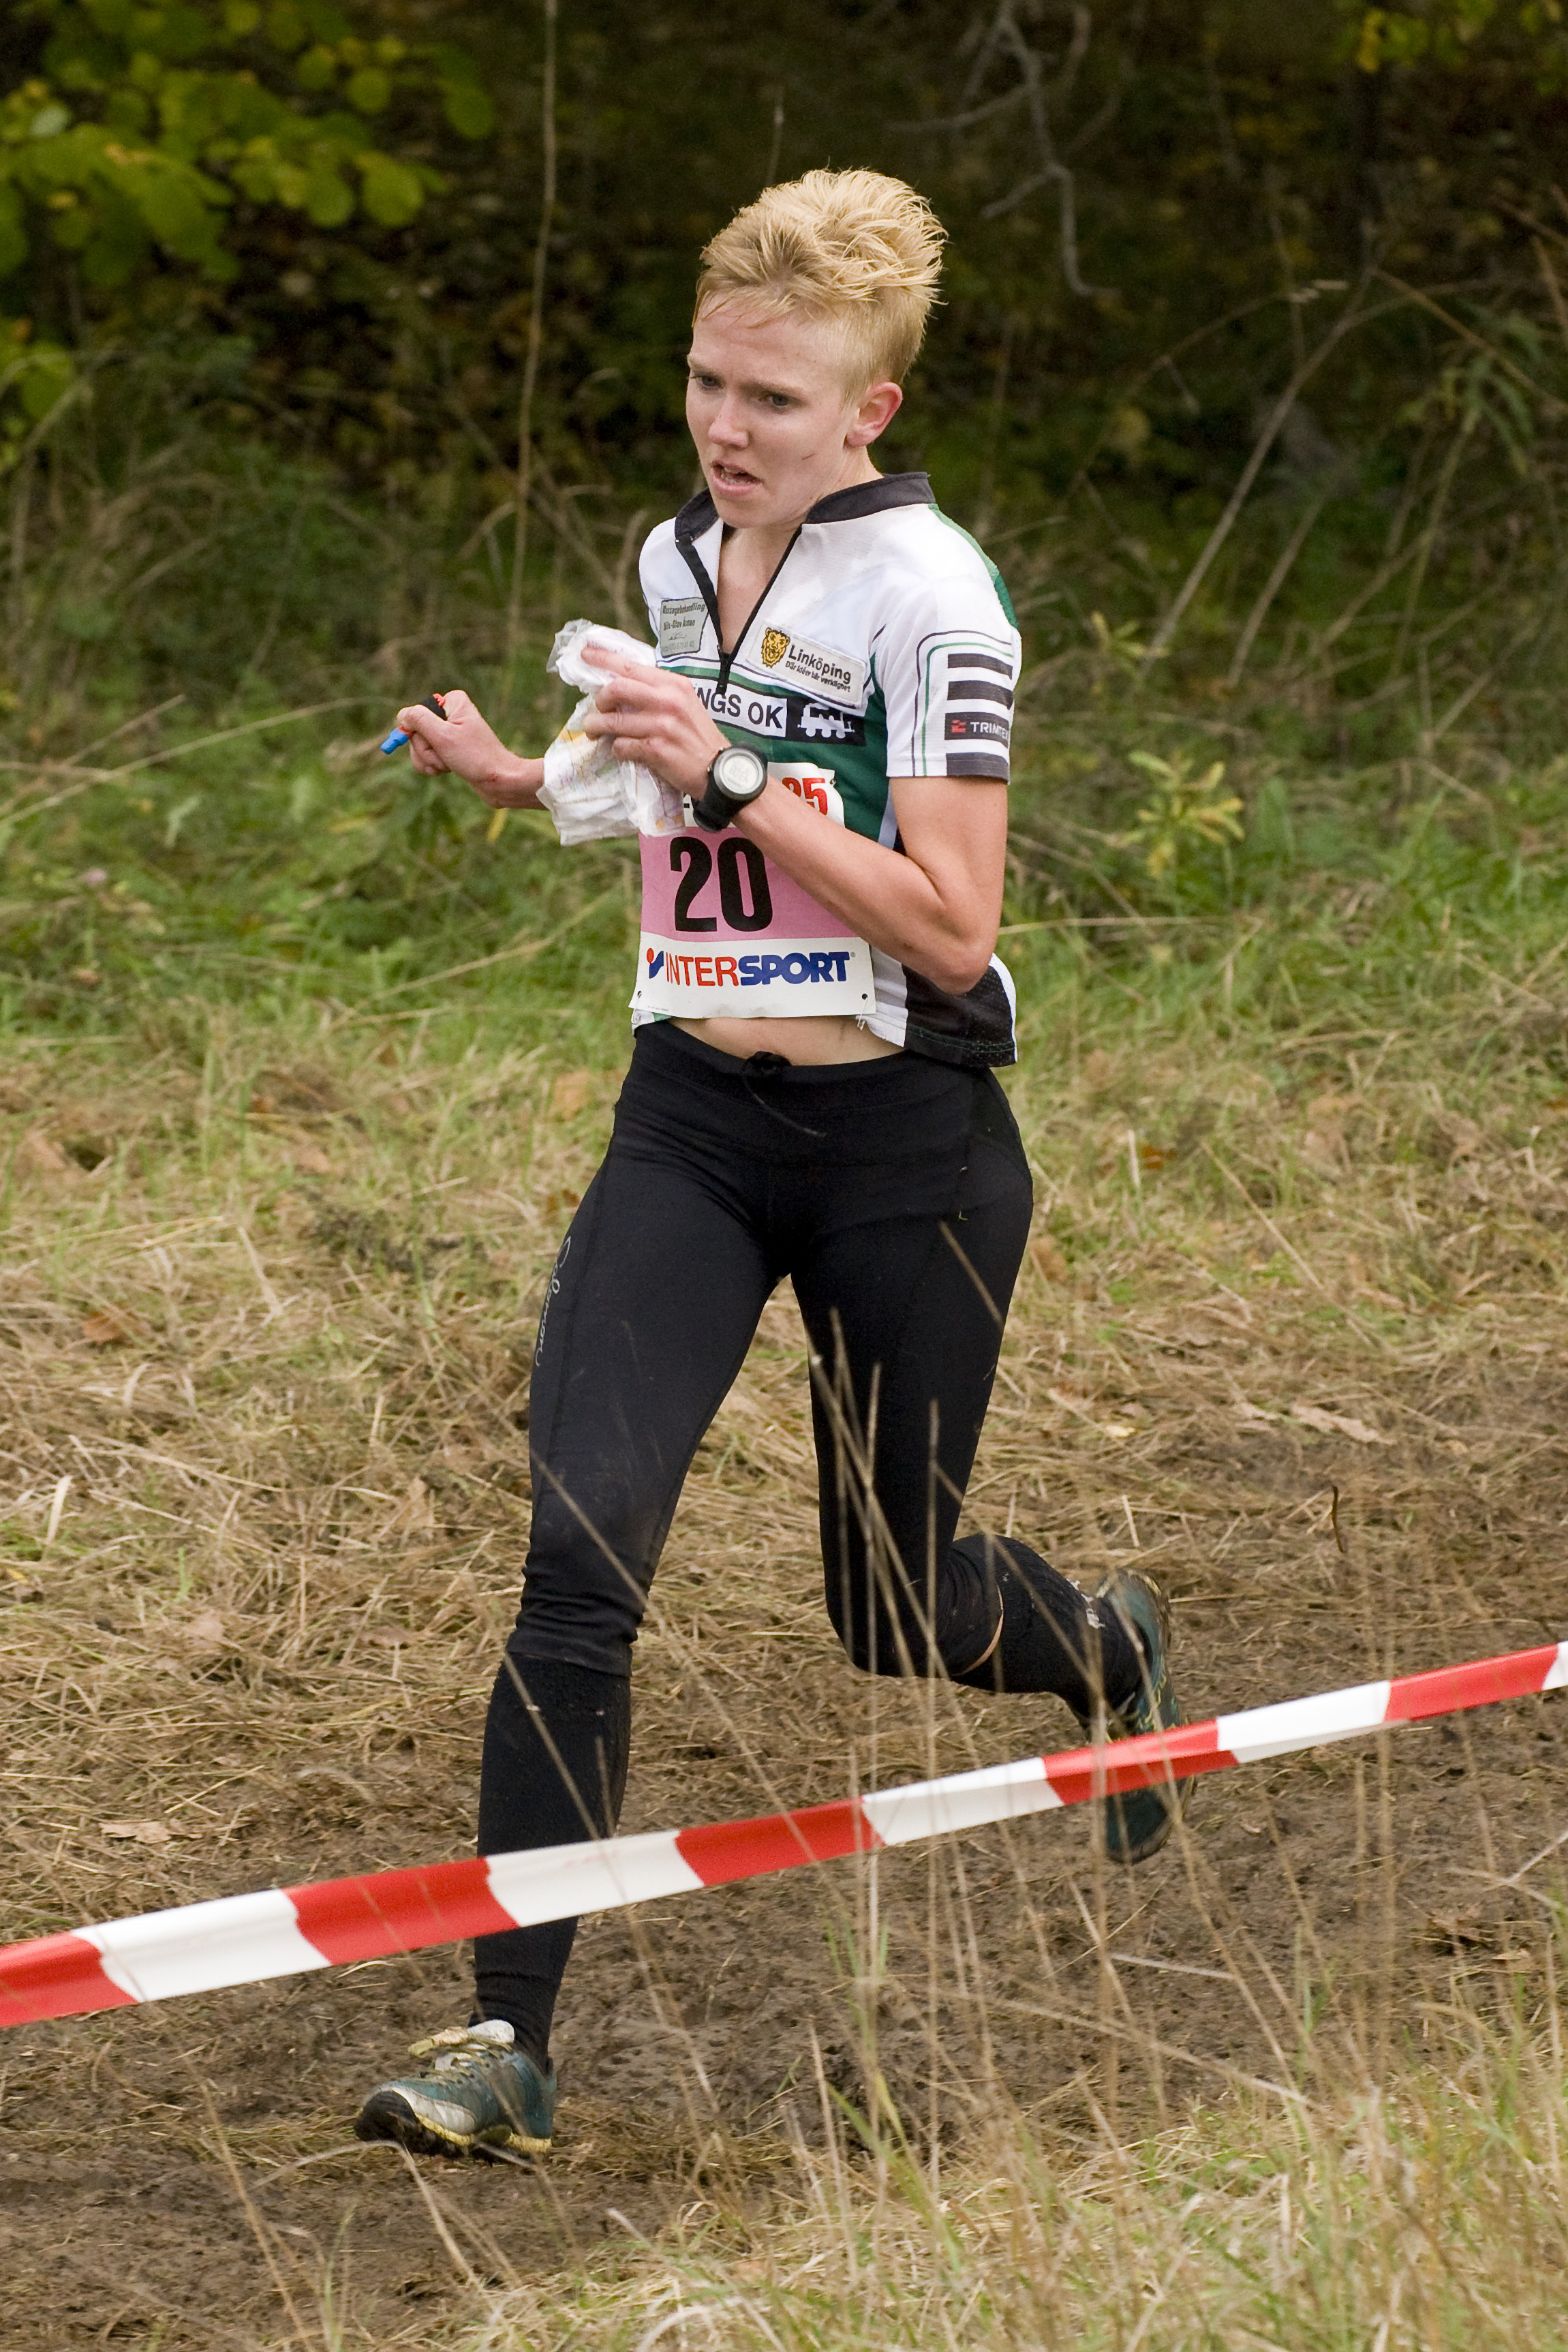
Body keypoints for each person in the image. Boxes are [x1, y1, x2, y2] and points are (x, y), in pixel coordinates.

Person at [353, 169, 1185, 2162]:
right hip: (694, 1123)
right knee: (581, 1549)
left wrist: (725, 771)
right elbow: (677, 769)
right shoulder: (680, 549)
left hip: (908, 1145)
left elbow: (953, 924)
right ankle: (505, 2038)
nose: (727, 430)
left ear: (871, 410)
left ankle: (1107, 1646)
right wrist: (536, 778)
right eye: (708, 382)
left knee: (897, 1607)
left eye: (777, 401)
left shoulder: (936, 599)